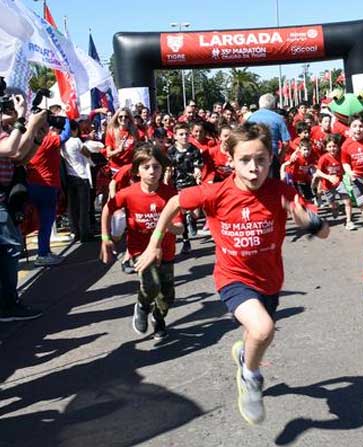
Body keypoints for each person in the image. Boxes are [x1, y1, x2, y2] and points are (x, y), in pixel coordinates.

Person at [134, 122, 329, 425]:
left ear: (271, 158)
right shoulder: (216, 193)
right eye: (245, 161)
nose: (254, 169)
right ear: (231, 159)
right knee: (263, 329)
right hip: (232, 278)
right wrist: (153, 244)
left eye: (261, 160)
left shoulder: (282, 192)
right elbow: (174, 202)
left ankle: (243, 358)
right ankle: (250, 378)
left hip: (270, 281)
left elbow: (325, 231)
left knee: (258, 337)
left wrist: (309, 221)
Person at [100, 144, 182, 340]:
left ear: (162, 169)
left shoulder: (171, 194)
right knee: (152, 283)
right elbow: (107, 209)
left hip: (166, 251)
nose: (152, 171)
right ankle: (142, 306)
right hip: (139, 249)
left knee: (167, 297)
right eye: (146, 167)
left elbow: (181, 228)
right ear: (137, 170)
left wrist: (168, 226)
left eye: (156, 166)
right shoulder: (129, 193)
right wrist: (105, 238)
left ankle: (158, 318)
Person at [0, 88, 49, 321]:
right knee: (11, 247)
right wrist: (23, 119)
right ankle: (8, 305)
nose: (10, 108)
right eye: (6, 106)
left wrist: (38, 135)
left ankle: (9, 302)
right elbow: (10, 149)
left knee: (9, 248)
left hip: (5, 197)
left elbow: (21, 157)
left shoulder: (7, 130)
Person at [26, 111, 71, 266]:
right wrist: (67, 117)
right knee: (46, 221)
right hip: (47, 185)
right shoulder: (48, 140)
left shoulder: (28, 139)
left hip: (31, 184)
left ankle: (44, 251)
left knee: (39, 222)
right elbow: (66, 134)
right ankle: (43, 254)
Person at [166, 122, 203, 255]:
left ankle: (192, 220)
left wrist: (198, 174)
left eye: (186, 134)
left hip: (191, 184)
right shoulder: (171, 151)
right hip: (177, 185)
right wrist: (166, 182)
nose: (184, 137)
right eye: (181, 134)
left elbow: (198, 166)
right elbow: (168, 168)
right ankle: (185, 241)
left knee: (196, 214)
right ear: (175, 136)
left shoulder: (194, 150)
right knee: (180, 215)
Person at [62, 121, 94, 242]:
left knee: (73, 207)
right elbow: (87, 152)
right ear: (75, 130)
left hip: (69, 177)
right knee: (83, 207)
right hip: (81, 176)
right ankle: (85, 233)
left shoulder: (62, 143)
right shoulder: (76, 141)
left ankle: (75, 232)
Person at [314, 133, 355, 228]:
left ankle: (349, 221)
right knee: (332, 204)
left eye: (334, 146)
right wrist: (328, 177)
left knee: (347, 201)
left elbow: (345, 167)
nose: (332, 149)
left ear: (338, 146)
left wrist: (349, 175)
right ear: (326, 148)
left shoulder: (341, 156)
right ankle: (334, 207)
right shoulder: (323, 159)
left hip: (339, 183)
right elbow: (318, 172)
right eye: (330, 146)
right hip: (327, 186)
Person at [246, 93, 291, 179]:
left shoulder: (251, 117)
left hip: (254, 156)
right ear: (273, 105)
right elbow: (286, 142)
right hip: (272, 156)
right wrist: (280, 157)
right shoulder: (278, 118)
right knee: (273, 186)